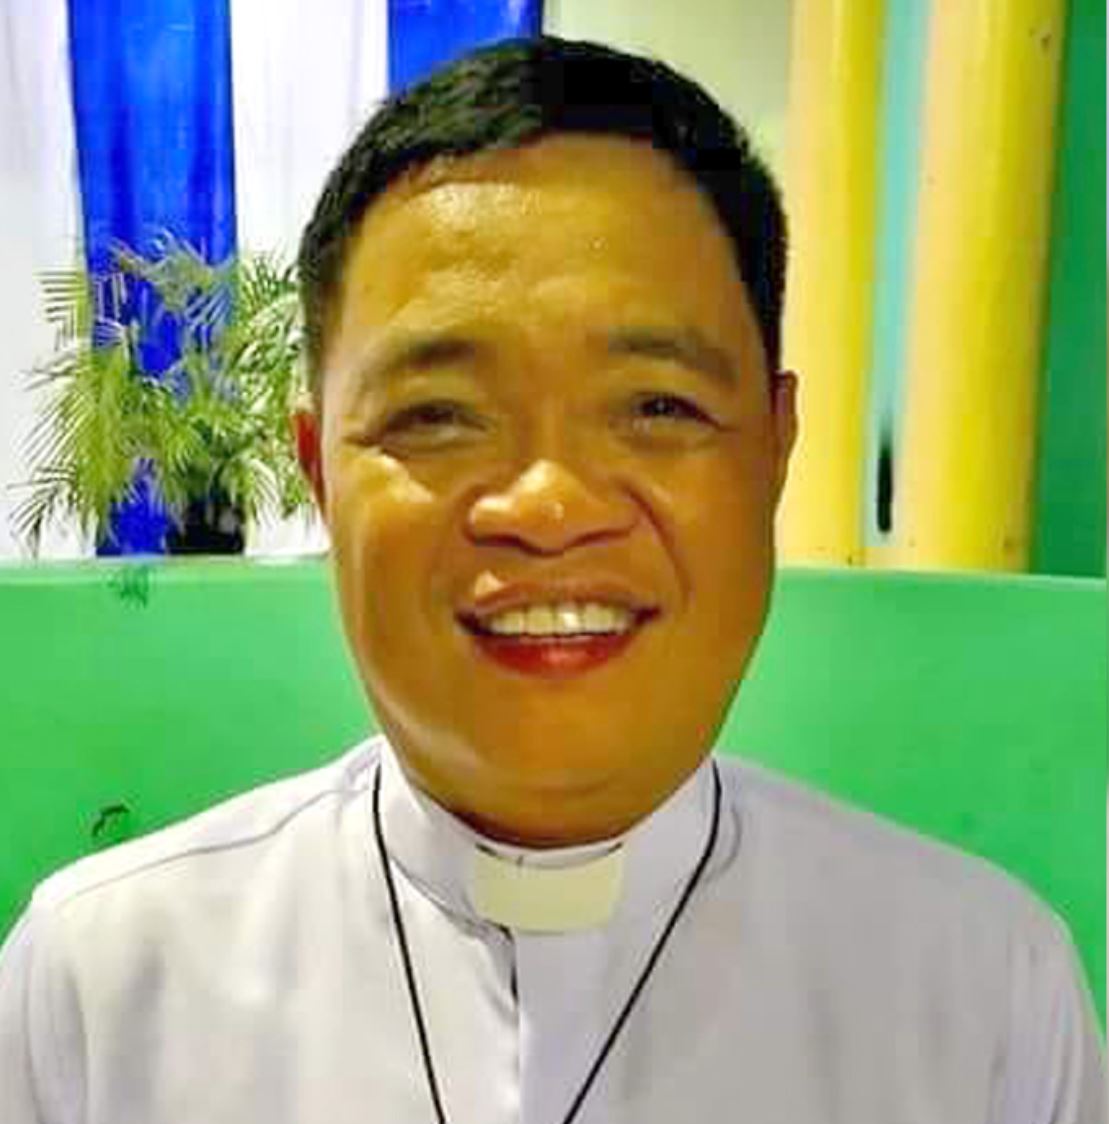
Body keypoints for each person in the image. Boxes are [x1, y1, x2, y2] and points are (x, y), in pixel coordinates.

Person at [1, 35, 1105, 1124]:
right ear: (319, 470)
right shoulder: (100, 986)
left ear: (773, 450)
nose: (546, 505)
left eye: (657, 406)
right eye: (437, 415)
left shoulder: (982, 994)